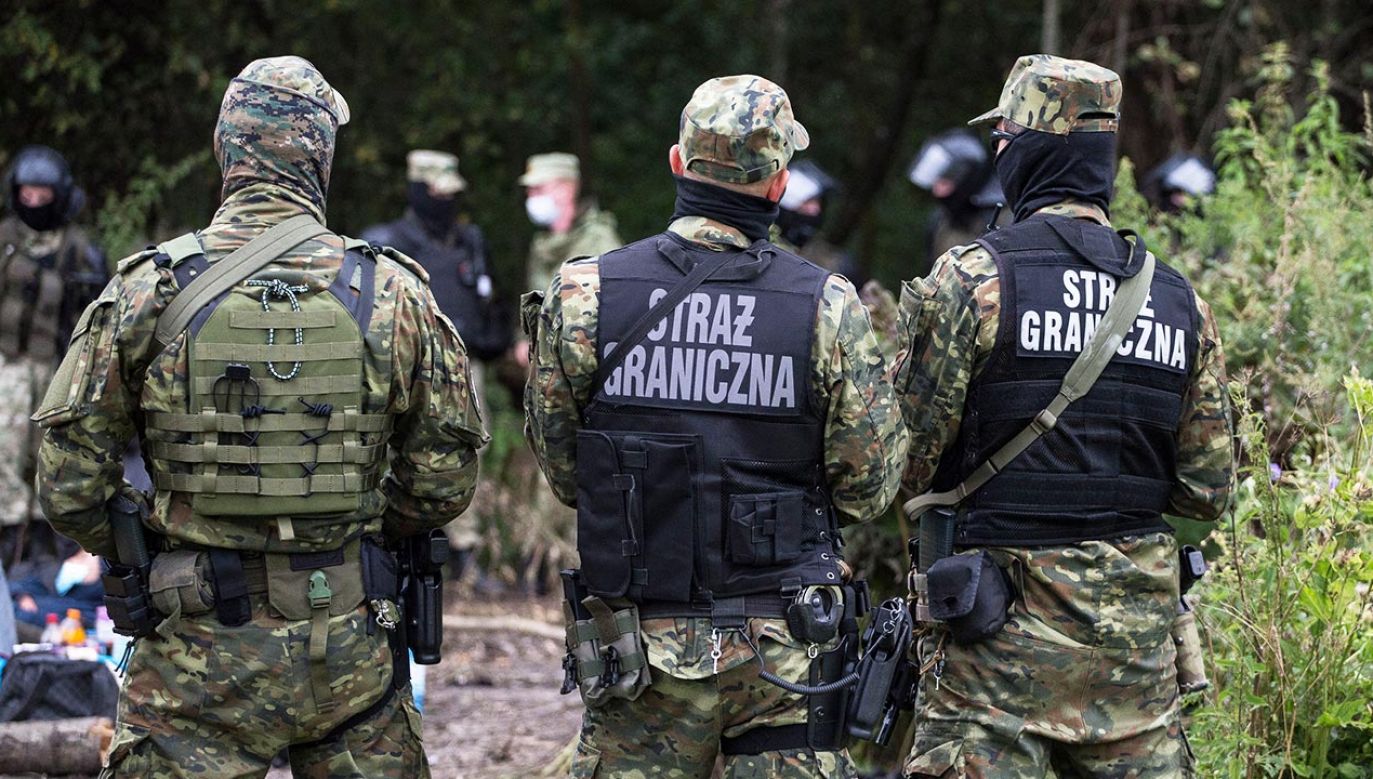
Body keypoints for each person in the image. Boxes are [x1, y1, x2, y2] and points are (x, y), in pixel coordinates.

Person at [33, 56, 486, 776]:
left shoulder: (149, 291)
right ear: (321, 160)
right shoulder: (393, 293)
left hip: (194, 655)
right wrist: (360, 530)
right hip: (349, 650)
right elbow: (443, 480)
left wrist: (148, 541)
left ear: (225, 151)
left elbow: (66, 484)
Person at [524, 74, 907, 777]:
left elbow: (565, 467)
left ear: (676, 161)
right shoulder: (825, 305)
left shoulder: (586, 293)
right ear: (778, 184)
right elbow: (869, 487)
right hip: (786, 656)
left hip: (640, 649)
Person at [895, 55, 1235, 777]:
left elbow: (905, 459)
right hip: (1135, 667)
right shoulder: (1178, 302)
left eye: (1004, 136)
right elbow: (1206, 491)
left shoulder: (973, 279)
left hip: (992, 660)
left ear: (1028, 150)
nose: (996, 151)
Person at [362, 150, 510, 577]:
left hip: (463, 366)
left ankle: (465, 549)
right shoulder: (386, 243)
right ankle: (393, 538)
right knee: (396, 447)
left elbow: (490, 302)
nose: (448, 203)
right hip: (402, 363)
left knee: (465, 449)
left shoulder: (469, 241)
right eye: (438, 193)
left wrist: (489, 340)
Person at [0, 146, 108, 565]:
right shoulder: (6, 241)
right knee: (5, 451)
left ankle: (47, 541)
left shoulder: (79, 251)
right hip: (7, 366)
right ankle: (11, 539)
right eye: (27, 194)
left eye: (43, 195)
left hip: (57, 367)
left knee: (49, 453)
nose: (34, 203)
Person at [907, 129, 1009, 274]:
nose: (936, 190)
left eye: (945, 181)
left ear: (968, 176)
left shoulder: (1005, 218)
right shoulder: (940, 221)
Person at [520, 152, 622, 294]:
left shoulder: (597, 239)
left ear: (566, 189)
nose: (531, 197)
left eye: (539, 189)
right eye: (529, 191)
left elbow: (618, 297)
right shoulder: (543, 245)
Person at [774, 159, 863, 284]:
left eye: (819, 202)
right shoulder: (757, 251)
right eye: (808, 201)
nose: (816, 210)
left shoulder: (834, 264)